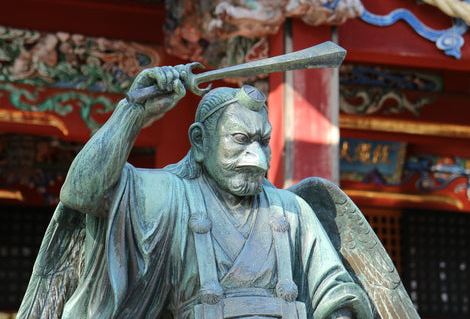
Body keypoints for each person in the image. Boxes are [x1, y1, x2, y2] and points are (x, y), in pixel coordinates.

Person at [20, 65, 373, 319]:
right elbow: (82, 193)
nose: (257, 158)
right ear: (200, 142)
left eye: (262, 141)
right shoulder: (167, 196)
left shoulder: (292, 210)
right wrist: (133, 112)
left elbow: (335, 290)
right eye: (239, 140)